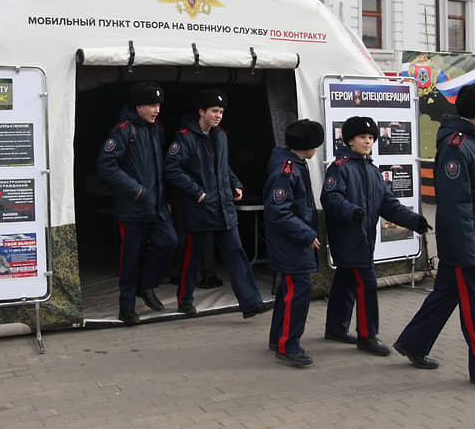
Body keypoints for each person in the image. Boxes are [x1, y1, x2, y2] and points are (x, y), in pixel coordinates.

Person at [394, 82, 475, 396]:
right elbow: (456, 205)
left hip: (472, 240)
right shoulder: (458, 145)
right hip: (467, 245)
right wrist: (467, 251)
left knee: (445, 295)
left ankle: (413, 343)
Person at [320, 116, 431, 356]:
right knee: (367, 285)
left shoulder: (372, 170)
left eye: (371, 138)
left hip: (364, 239)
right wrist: (353, 212)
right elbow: (331, 199)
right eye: (362, 137)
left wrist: (414, 221)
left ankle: (336, 328)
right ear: (349, 140)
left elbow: (388, 204)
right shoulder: (339, 168)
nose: (368, 141)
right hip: (349, 238)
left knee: (346, 281)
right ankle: (367, 336)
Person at [165, 88, 266, 318]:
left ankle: (251, 302)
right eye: (214, 111)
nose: (218, 115)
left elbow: (224, 167)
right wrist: (196, 192)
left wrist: (236, 184)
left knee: (237, 255)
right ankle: (185, 300)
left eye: (221, 111)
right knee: (193, 258)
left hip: (223, 208)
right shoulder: (184, 137)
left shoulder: (221, 135)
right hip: (199, 209)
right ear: (201, 111)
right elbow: (172, 169)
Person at [97, 82, 178, 325]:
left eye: (159, 105)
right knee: (130, 258)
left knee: (169, 242)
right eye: (152, 105)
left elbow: (160, 167)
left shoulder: (157, 129)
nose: (157, 110)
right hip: (133, 208)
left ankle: (146, 285)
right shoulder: (123, 130)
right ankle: (127, 308)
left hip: (157, 206)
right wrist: (137, 190)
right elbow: (106, 165)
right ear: (138, 106)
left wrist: (166, 198)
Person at [263, 119, 325, 366]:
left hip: (292, 242)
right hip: (290, 244)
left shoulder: (295, 164)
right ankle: (289, 345)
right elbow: (279, 210)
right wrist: (306, 234)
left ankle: (278, 338)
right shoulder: (286, 170)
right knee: (296, 294)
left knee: (287, 293)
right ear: (308, 145)